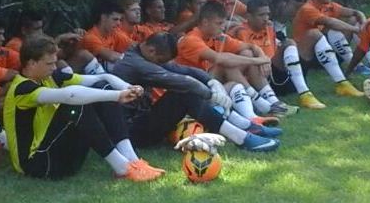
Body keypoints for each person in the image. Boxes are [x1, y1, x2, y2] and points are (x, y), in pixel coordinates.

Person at [3, 35, 163, 181]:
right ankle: (123, 168)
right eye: (49, 64)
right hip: (38, 165)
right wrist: (117, 96)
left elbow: (102, 77)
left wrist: (128, 87)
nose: (54, 67)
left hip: (59, 156)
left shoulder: (48, 77)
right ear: (31, 63)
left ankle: (133, 160)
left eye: (54, 62)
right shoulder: (22, 89)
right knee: (76, 105)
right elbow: (70, 96)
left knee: (102, 87)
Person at [110, 32, 281, 152]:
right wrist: (212, 95)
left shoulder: (142, 54)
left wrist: (211, 81)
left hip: (138, 122)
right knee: (185, 93)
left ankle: (245, 126)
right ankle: (241, 137)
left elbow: (182, 70)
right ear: (152, 51)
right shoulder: (136, 63)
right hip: (130, 132)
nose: (161, 64)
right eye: (160, 61)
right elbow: (181, 80)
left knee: (187, 92)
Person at [176, 1, 285, 133]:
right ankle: (262, 103)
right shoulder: (191, 39)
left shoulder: (217, 37)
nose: (223, 27)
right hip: (192, 91)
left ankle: (253, 117)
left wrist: (261, 56)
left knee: (239, 72)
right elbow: (219, 59)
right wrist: (257, 61)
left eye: (224, 23)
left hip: (211, 86)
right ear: (205, 22)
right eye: (219, 23)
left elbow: (250, 46)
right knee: (225, 64)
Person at [229, 0, 325, 110]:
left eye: (267, 14)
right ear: (249, 17)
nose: (266, 18)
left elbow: (275, 49)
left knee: (312, 35)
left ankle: (324, 86)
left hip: (278, 73)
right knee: (288, 43)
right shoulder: (240, 31)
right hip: (260, 77)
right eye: (261, 15)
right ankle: (302, 94)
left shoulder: (269, 27)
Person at [292, 0, 367, 96]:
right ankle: (347, 75)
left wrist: (363, 23)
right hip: (310, 56)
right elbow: (330, 22)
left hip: (330, 51)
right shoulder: (307, 9)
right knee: (330, 30)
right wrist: (356, 30)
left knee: (354, 20)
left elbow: (356, 12)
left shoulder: (329, 5)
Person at [80, 2, 134, 68]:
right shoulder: (90, 37)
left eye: (120, 20)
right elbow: (111, 57)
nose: (119, 23)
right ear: (103, 18)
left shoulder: (114, 33)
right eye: (115, 19)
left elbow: (135, 46)